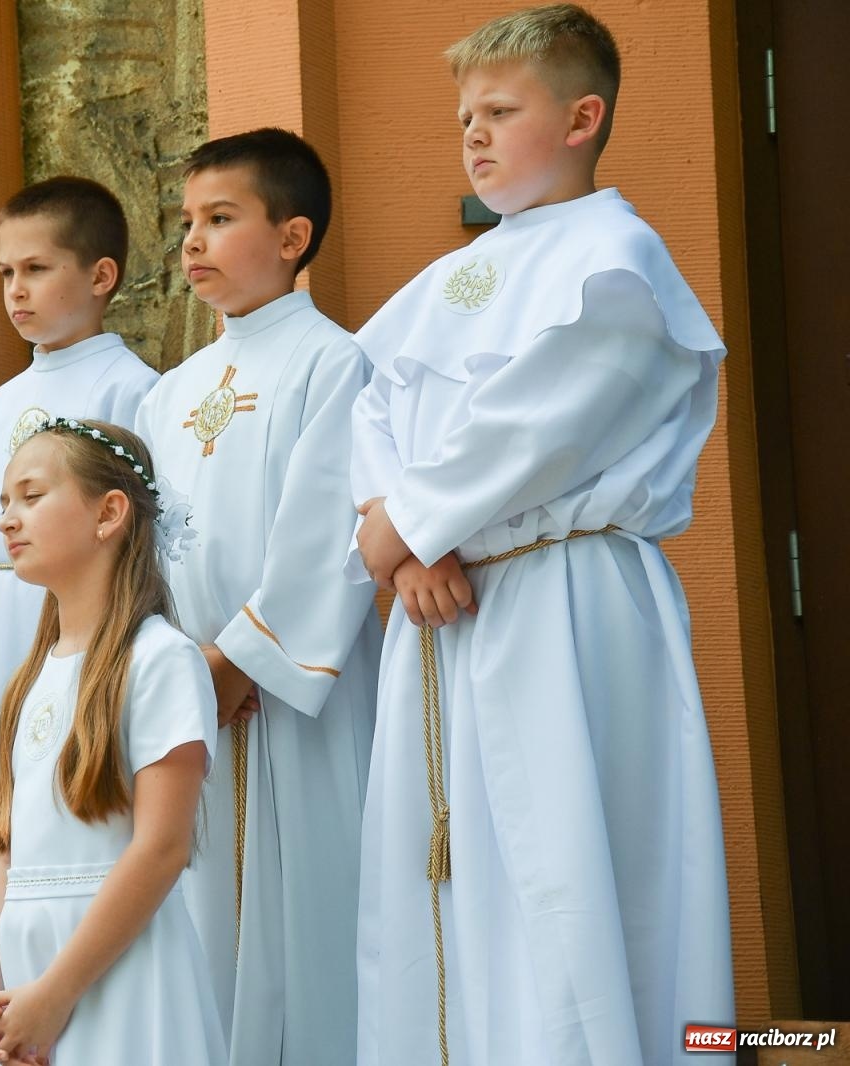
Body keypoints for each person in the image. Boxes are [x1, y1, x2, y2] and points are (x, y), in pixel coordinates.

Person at [350, 7, 733, 1064]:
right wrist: (414, 539)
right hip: (449, 602)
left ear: (582, 117)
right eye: (463, 115)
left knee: (562, 859)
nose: (472, 133)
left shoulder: (617, 259)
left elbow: (544, 422)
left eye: (499, 111)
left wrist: (411, 525)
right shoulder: (447, 278)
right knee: (454, 870)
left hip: (563, 605)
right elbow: (369, 403)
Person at [134, 127, 381, 1065]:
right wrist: (177, 664)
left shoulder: (333, 362)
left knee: (310, 910)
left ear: (292, 236)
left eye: (221, 218)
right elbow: (155, 547)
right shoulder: (172, 393)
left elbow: (329, 530)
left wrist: (239, 659)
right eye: (187, 221)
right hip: (195, 684)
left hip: (290, 686)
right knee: (206, 914)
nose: (192, 241)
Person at [0, 419, 225, 1066]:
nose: (8, 519)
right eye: (3, 503)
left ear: (109, 513)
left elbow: (161, 848)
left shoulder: (160, 660)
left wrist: (55, 995)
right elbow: (6, 845)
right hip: (27, 982)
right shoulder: (30, 679)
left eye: (30, 496)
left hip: (119, 968)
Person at [0, 177, 157, 748]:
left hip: (94, 620)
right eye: (7, 273)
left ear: (100, 276)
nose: (16, 290)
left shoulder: (133, 390)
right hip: (4, 629)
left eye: (36, 270)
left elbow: (147, 536)